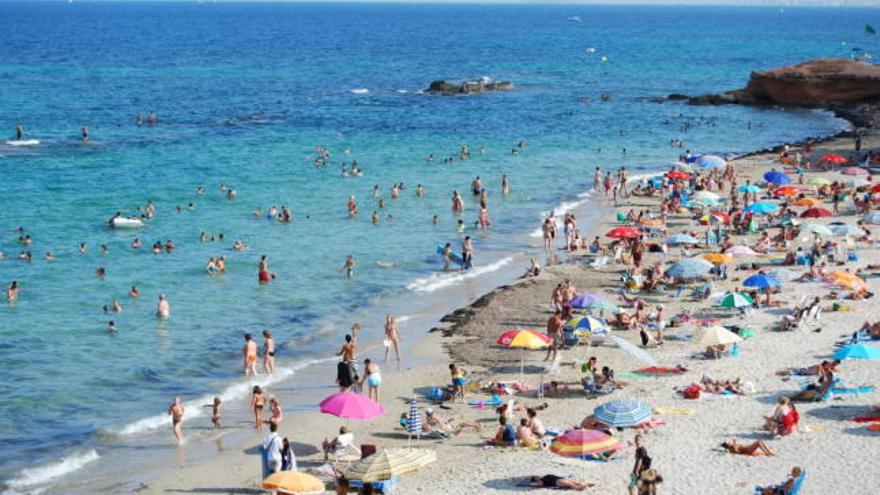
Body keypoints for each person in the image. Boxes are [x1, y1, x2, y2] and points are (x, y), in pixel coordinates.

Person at [527, 475, 592, 491]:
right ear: (535, 479)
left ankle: (585, 484)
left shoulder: (543, 477)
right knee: (570, 484)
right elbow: (531, 484)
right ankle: (578, 488)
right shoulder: (541, 482)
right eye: (536, 477)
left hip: (560, 479)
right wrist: (536, 482)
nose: (537, 476)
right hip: (556, 482)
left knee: (573, 481)